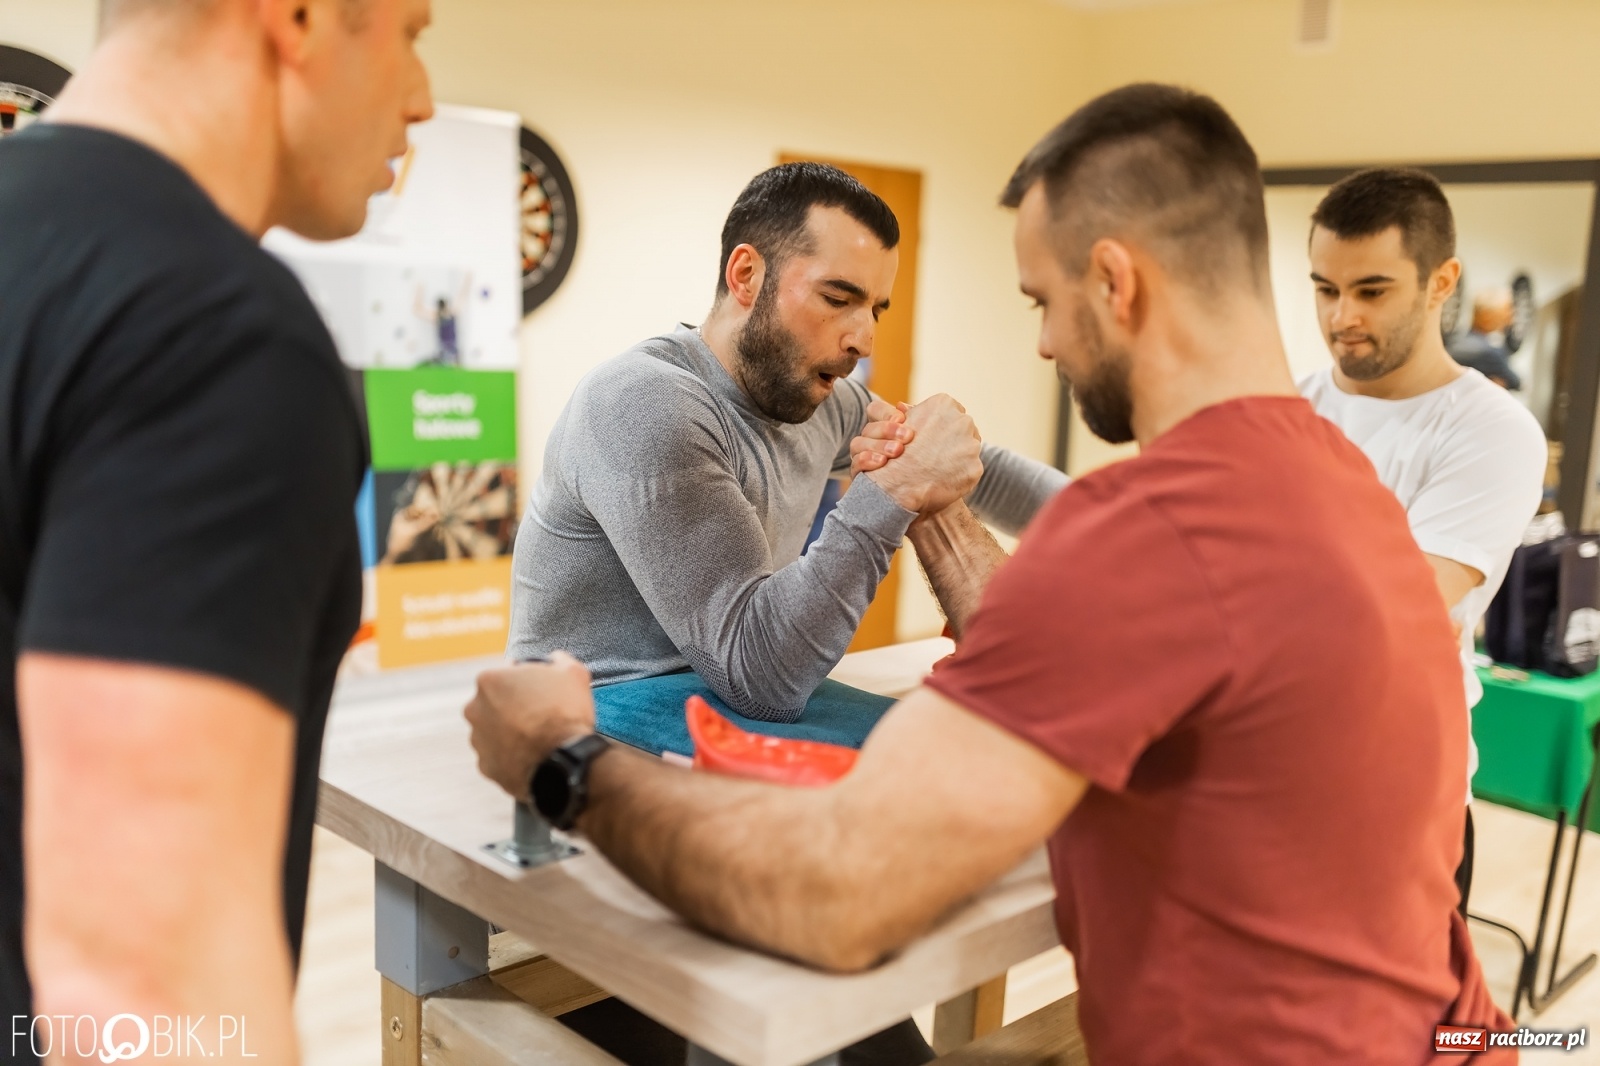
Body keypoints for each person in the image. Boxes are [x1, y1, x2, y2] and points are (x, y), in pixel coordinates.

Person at [468, 84, 1514, 1064]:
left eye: (1041, 303)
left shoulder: (1146, 537)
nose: (1049, 343)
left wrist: (559, 761)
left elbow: (833, 893)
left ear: (1115, 280)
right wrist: (925, 497)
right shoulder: (1343, 481)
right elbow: (1095, 633)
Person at [0, 0, 433, 1061]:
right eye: (410, 33)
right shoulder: (216, 338)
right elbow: (141, 989)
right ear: (295, 16)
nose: (421, 98)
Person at [507, 162, 1066, 723]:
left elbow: (978, 472)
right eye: (837, 297)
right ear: (746, 275)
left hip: (720, 690)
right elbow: (762, 680)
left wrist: (1109, 521)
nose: (864, 339)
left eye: (875, 309)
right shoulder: (643, 403)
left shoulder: (816, 397)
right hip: (591, 718)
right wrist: (896, 487)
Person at [1300, 168, 1547, 912]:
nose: (1342, 315)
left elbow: (1388, 610)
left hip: (1397, 805)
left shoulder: (1489, 431)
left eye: (1371, 291)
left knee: (1387, 1031)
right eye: (1325, 289)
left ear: (1442, 283)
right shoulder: (1289, 406)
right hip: (1270, 786)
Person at [1449, 288, 1523, 389]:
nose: (1510, 321)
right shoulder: (1490, 353)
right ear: (1487, 317)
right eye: (1505, 315)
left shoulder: (1454, 340)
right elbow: (1516, 382)